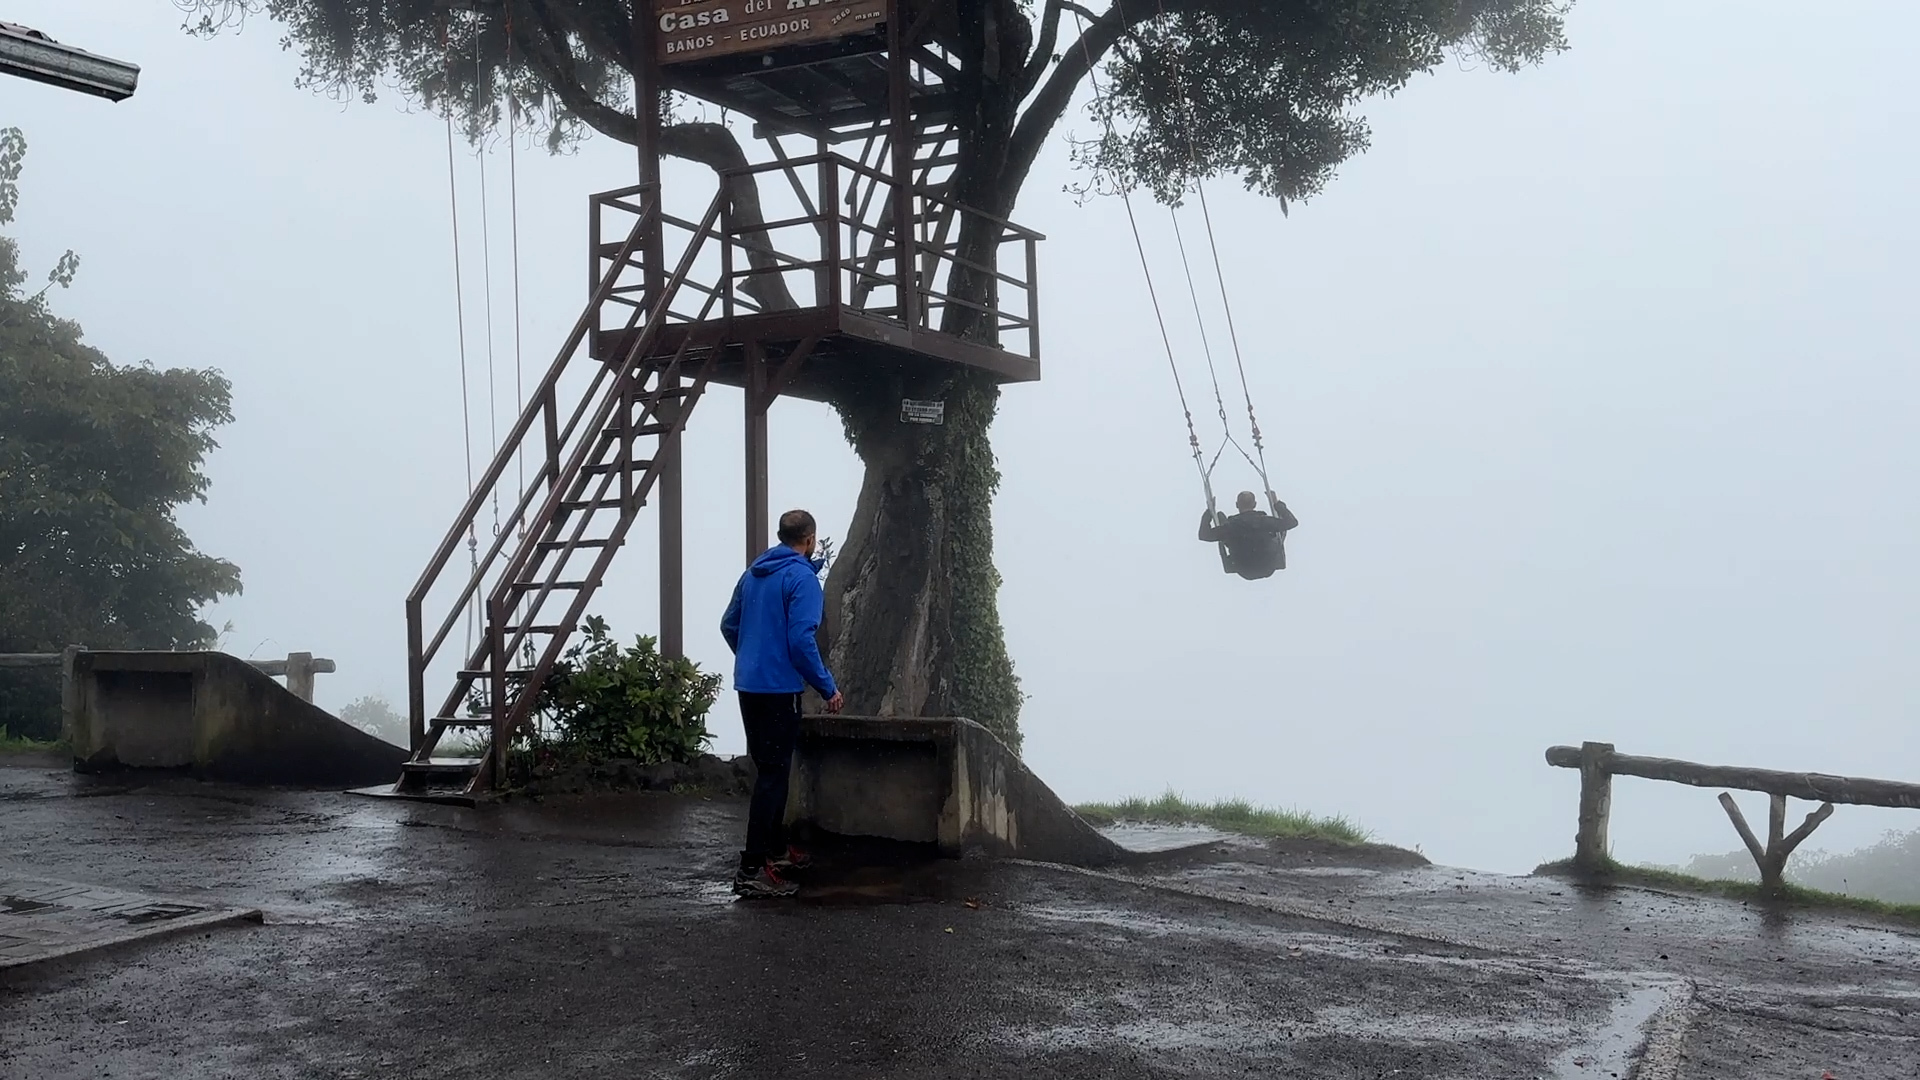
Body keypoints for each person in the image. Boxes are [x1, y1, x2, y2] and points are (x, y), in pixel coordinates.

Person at [720, 509, 845, 899]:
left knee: (769, 771)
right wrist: (827, 688)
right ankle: (751, 870)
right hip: (778, 691)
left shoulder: (754, 573)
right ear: (809, 539)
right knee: (773, 778)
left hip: (749, 686)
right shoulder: (802, 579)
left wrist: (751, 657)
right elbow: (801, 642)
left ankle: (775, 851)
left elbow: (729, 624)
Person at [1198, 490, 1298, 580]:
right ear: (1254, 504)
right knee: (1278, 528)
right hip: (1267, 566)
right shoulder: (1265, 521)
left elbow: (1204, 535)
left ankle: (1230, 539)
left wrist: (1209, 512)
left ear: (1237, 505)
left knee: (1221, 519)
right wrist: (1276, 503)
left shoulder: (1230, 527)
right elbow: (1292, 522)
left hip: (1245, 569)